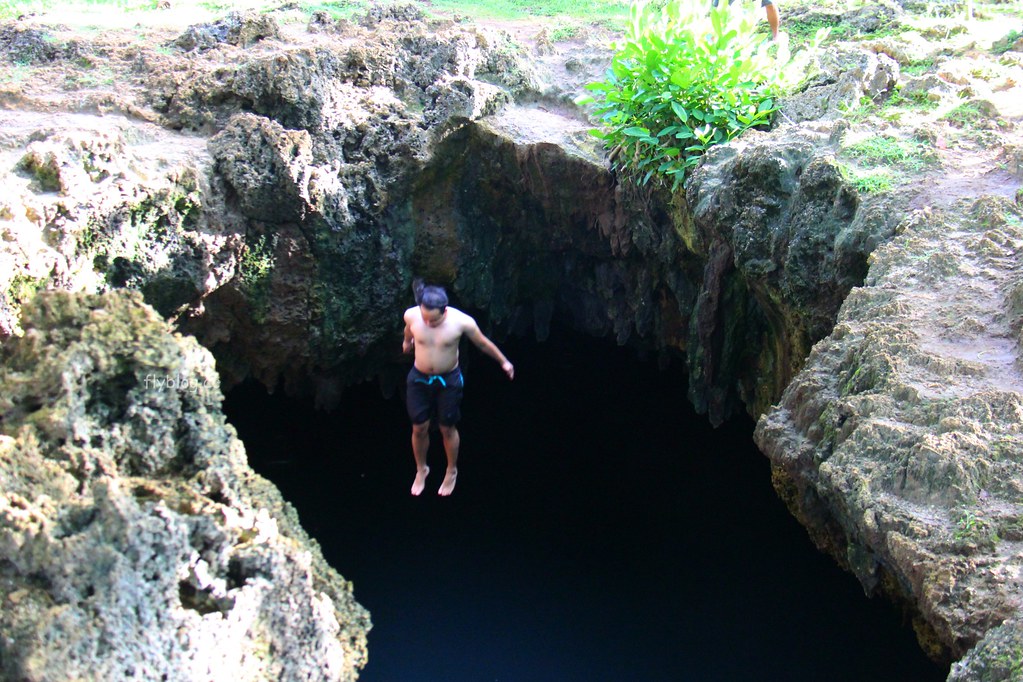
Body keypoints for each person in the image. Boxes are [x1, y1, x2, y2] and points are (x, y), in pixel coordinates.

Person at [402, 281, 514, 496]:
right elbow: (408, 332)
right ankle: (421, 468)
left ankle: (451, 469)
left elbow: (482, 343)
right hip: (419, 378)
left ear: (444, 311)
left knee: (447, 427)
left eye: (432, 320)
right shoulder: (412, 315)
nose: (427, 323)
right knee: (419, 427)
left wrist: (504, 362)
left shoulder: (462, 322)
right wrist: (407, 343)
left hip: (448, 380)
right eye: (424, 318)